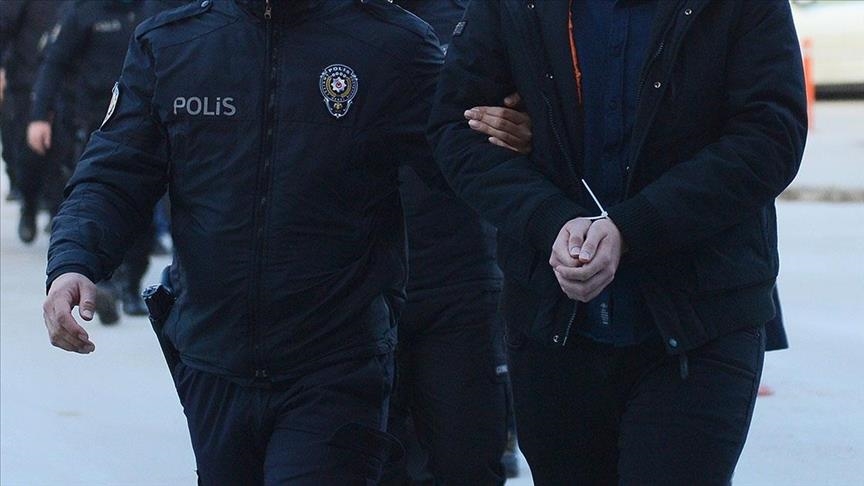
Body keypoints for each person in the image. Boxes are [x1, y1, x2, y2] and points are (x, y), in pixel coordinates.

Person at [42, 0, 448, 483]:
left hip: (336, 363)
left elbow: (464, 164)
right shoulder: (171, 44)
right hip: (213, 360)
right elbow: (113, 175)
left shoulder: (394, 44)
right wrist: (73, 261)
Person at [428, 1, 807, 483]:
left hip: (698, 321)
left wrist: (632, 228)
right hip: (552, 329)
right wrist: (550, 220)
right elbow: (457, 129)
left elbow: (771, 135)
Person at [381, 2, 530, 483]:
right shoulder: (328, 22)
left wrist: (529, 128)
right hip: (356, 287)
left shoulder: (481, 16)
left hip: (461, 278)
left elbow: (539, 111)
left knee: (467, 463)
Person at [29, 0, 166, 318]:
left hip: (146, 126)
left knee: (142, 211)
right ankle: (102, 281)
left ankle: (130, 284)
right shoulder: (84, 11)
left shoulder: (154, 10)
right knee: (98, 199)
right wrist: (39, 115)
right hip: (94, 125)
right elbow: (54, 63)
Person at [0, 0, 72, 243]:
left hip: (68, 85)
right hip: (27, 80)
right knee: (30, 153)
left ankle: (57, 213)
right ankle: (29, 204)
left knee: (63, 152)